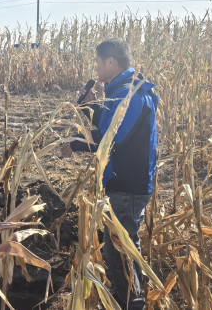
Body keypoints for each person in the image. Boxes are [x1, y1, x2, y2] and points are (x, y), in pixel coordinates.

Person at [60, 38, 159, 310]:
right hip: (122, 183)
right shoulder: (123, 92)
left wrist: (76, 143)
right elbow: (108, 126)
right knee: (122, 249)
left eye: (98, 62)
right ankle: (128, 299)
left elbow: (111, 138)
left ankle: (132, 304)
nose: (96, 68)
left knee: (119, 253)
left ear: (111, 62)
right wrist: (89, 106)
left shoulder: (131, 96)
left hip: (127, 187)